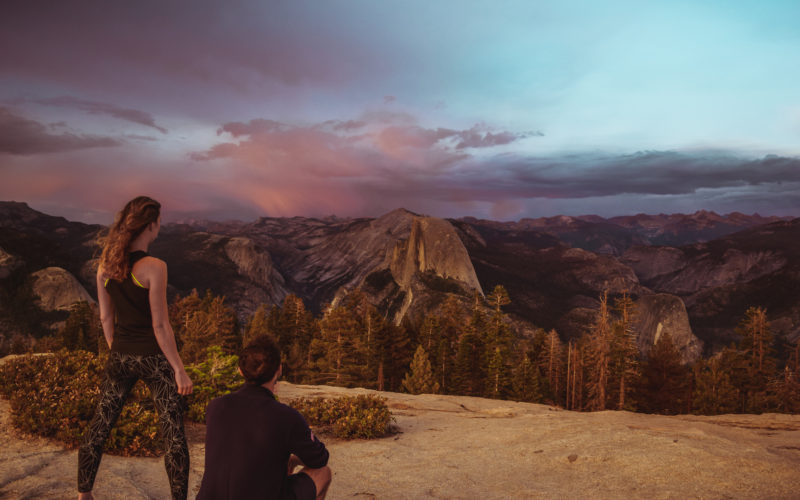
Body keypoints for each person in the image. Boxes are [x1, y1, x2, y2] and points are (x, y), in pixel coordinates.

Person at [77, 196, 193, 500]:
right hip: (155, 359)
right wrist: (179, 370)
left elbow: (105, 316)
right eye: (158, 223)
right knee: (173, 434)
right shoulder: (154, 266)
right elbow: (160, 326)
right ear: (151, 225)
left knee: (101, 424)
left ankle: (83, 493)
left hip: (121, 356)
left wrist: (119, 350)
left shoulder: (106, 265)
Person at [197, 335, 332, 500]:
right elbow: (320, 459)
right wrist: (294, 459)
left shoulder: (215, 406)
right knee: (323, 473)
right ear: (279, 370)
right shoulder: (286, 416)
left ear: (240, 370)